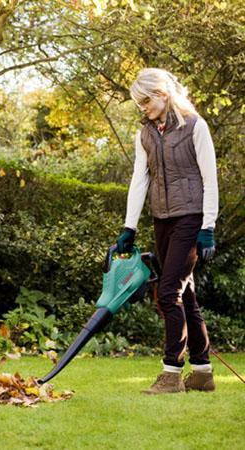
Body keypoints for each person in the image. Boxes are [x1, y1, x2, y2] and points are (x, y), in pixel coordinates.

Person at [116, 68, 218, 394]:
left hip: (191, 217)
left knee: (169, 290)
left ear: (162, 93)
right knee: (185, 293)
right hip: (162, 218)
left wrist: (208, 226)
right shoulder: (144, 134)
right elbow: (139, 179)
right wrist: (129, 227)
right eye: (139, 103)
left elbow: (209, 178)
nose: (142, 107)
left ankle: (171, 372)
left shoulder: (194, 126)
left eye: (145, 100)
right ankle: (202, 372)